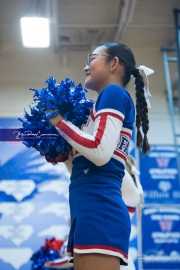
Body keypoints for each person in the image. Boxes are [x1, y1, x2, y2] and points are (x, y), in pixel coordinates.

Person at [46, 42, 152, 270]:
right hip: (89, 210)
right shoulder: (104, 103)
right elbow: (83, 171)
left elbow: (100, 151)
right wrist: (58, 151)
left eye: (91, 58)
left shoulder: (113, 93)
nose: (86, 66)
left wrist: (59, 124)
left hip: (99, 211)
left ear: (114, 63)